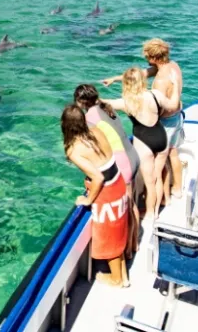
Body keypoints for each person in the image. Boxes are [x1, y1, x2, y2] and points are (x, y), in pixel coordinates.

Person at [102, 39, 184, 201]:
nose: (146, 59)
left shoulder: (160, 81)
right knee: (173, 153)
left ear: (153, 58)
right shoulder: (172, 66)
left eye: (147, 56)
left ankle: (157, 199)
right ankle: (177, 188)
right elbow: (142, 74)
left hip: (166, 123)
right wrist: (116, 78)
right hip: (177, 118)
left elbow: (159, 108)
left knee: (157, 167)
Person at [61, 105, 129, 287]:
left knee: (109, 235)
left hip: (106, 191)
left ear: (64, 125)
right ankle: (123, 275)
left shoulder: (74, 150)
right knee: (118, 229)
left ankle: (116, 279)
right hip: (118, 181)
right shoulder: (95, 130)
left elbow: (97, 177)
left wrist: (87, 199)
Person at [102, 68, 180, 222]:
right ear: (142, 80)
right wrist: (176, 85)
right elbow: (173, 104)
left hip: (143, 143)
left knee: (149, 182)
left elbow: (103, 103)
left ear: (126, 83)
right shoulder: (155, 95)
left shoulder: (126, 102)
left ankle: (150, 213)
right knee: (158, 176)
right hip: (161, 137)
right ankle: (157, 210)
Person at [74, 84, 141, 257]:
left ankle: (128, 250)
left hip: (123, 163)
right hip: (132, 155)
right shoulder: (106, 107)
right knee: (131, 203)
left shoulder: (90, 117)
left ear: (82, 101)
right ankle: (134, 244)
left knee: (125, 208)